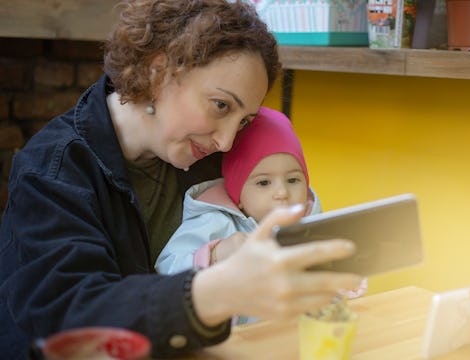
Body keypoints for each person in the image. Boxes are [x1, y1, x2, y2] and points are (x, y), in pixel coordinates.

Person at [0, 0, 362, 359]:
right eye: (220, 105)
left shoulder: (209, 154)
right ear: (158, 71)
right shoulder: (53, 168)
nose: (227, 141)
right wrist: (217, 289)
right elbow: (68, 318)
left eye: (244, 121)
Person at [155, 106, 322, 275]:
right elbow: (166, 269)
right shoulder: (214, 222)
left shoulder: (313, 219)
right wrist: (215, 255)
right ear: (238, 194)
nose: (282, 193)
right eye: (264, 182)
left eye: (293, 180)